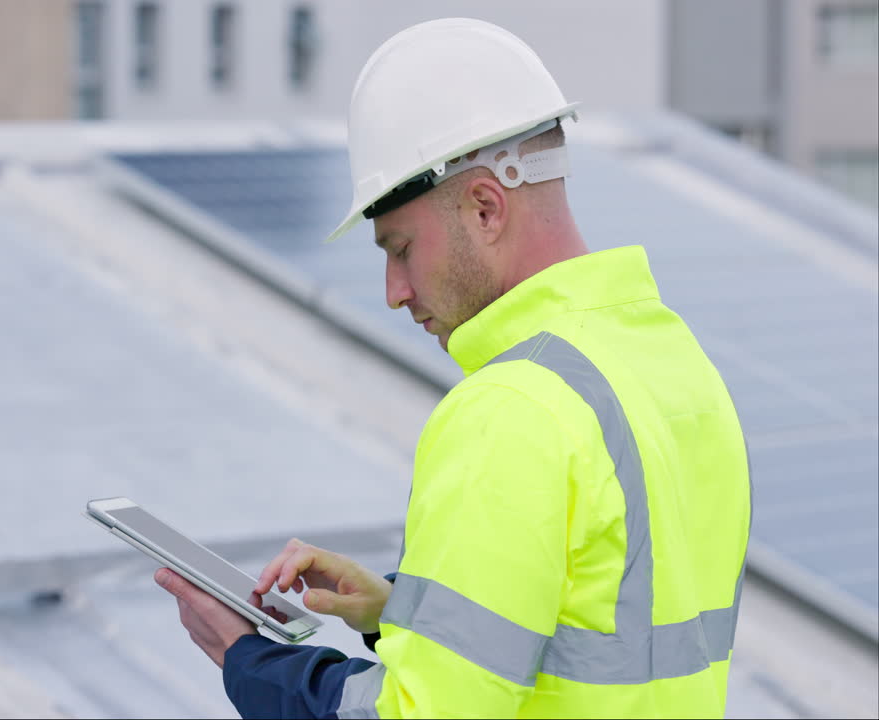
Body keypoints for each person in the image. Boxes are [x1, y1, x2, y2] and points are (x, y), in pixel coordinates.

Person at [154, 17, 750, 719]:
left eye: (400, 248)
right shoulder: (673, 364)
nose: (393, 291)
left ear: (485, 208)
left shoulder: (512, 411)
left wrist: (248, 660)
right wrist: (405, 612)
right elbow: (606, 631)